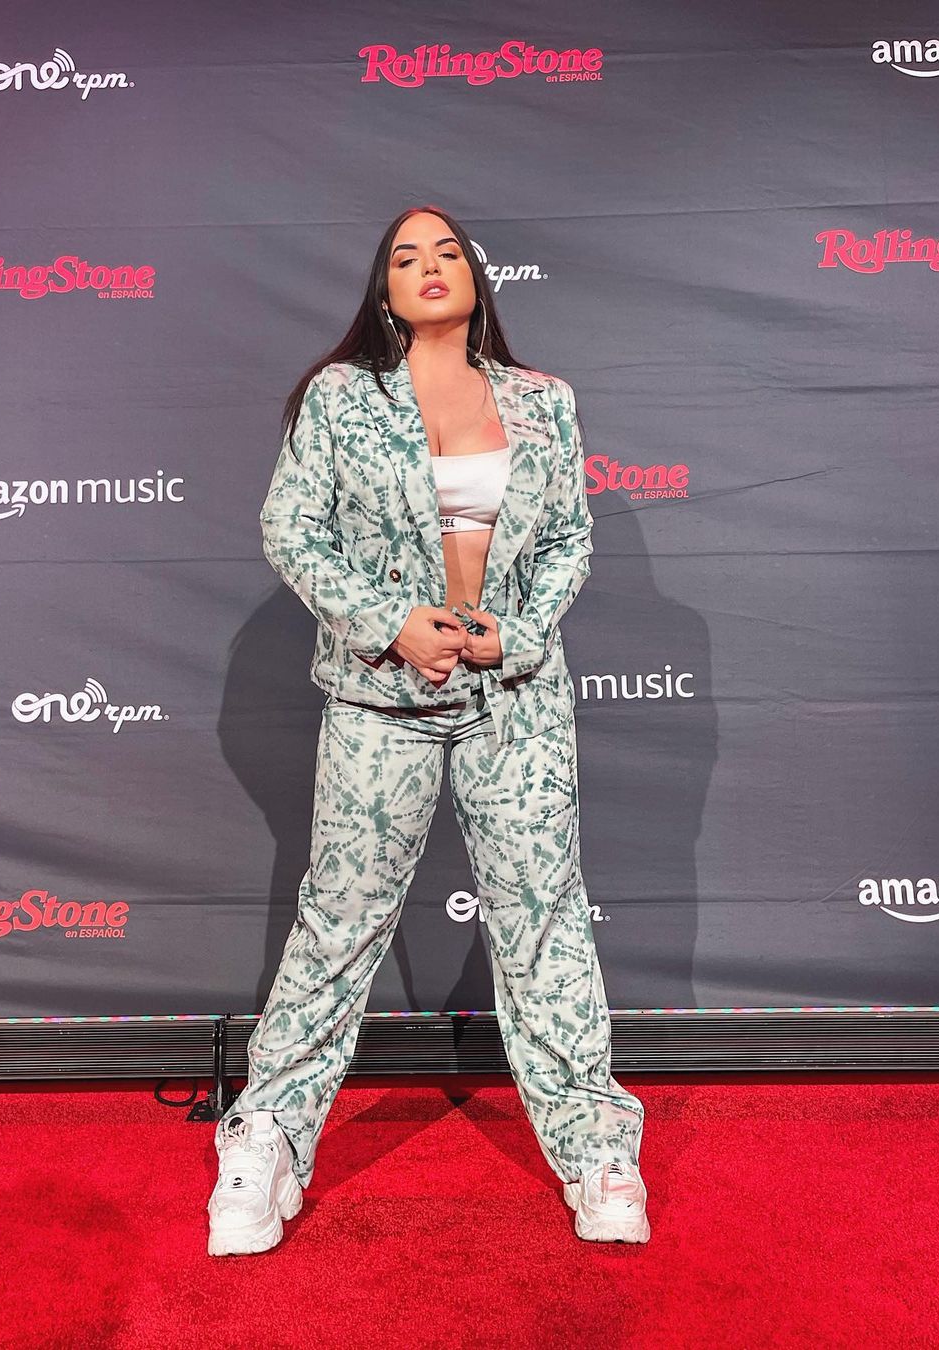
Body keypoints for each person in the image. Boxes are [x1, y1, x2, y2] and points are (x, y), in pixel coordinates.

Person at [207, 205, 650, 1256]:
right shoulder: (341, 397)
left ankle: (597, 1148)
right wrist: (388, 622)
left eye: (448, 251)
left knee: (543, 921)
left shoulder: (543, 401)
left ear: (477, 278)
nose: (430, 266)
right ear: (385, 291)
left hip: (515, 700)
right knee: (340, 920)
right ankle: (266, 1141)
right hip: (381, 701)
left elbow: (570, 539)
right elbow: (291, 527)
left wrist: (518, 637)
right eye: (406, 257)